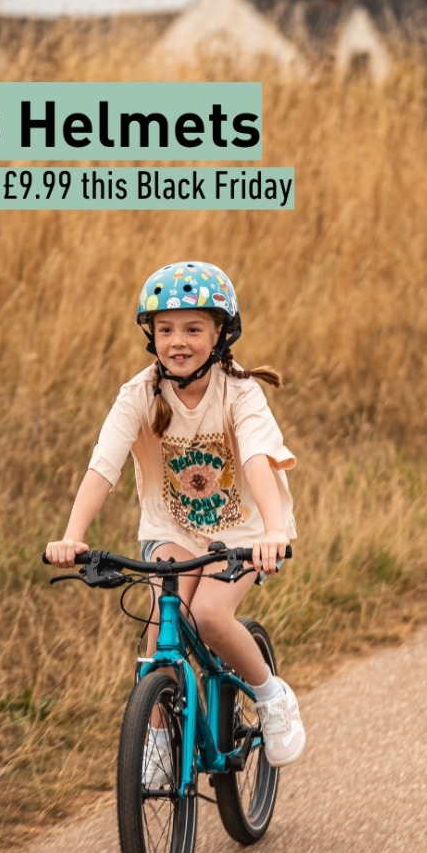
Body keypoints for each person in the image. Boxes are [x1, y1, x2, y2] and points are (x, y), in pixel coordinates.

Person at [45, 260, 305, 775]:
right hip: (172, 529)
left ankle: (273, 697)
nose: (177, 341)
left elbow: (256, 459)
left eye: (192, 329)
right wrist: (73, 536)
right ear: (152, 337)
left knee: (209, 617)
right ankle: (159, 736)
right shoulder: (139, 394)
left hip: (243, 533)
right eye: (165, 330)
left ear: (220, 334)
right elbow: (104, 465)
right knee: (165, 617)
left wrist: (274, 531)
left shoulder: (239, 392)